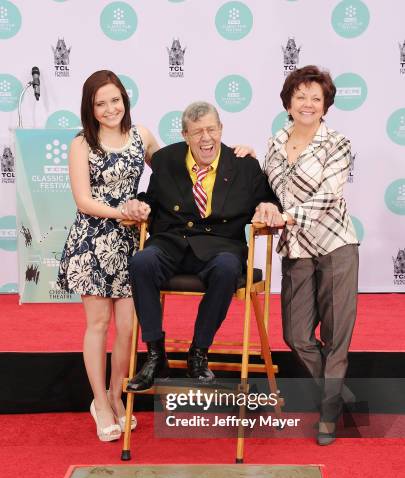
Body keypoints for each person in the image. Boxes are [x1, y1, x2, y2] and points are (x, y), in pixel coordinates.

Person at [124, 101, 279, 392]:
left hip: (221, 247)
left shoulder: (244, 164)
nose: (205, 138)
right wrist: (139, 205)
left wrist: (268, 208)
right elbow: (152, 199)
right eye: (197, 132)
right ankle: (155, 355)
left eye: (211, 129)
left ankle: (199, 351)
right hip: (171, 243)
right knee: (141, 262)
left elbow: (268, 198)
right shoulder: (167, 160)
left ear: (221, 130)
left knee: (228, 267)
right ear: (185, 135)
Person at [260, 65, 359, 445]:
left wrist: (285, 217)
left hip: (335, 245)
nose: (307, 103)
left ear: (326, 106)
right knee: (296, 335)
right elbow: (266, 189)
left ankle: (329, 414)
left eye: (316, 98)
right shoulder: (273, 143)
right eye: (300, 96)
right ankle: (341, 394)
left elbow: (328, 197)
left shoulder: (338, 144)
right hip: (297, 250)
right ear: (288, 101)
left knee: (336, 337)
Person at [57, 70, 158, 442]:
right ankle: (99, 402)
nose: (110, 108)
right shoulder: (82, 143)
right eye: (100, 103)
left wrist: (232, 154)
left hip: (132, 246)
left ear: (125, 100)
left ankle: (117, 395)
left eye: (115, 100)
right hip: (92, 242)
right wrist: (125, 212)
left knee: (129, 329)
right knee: (98, 325)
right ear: (91, 108)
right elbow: (83, 200)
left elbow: (174, 169)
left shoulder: (141, 136)